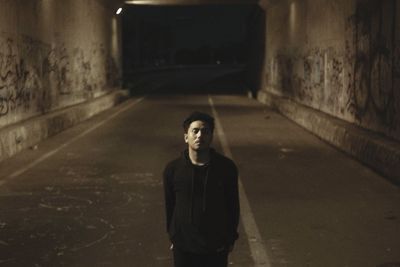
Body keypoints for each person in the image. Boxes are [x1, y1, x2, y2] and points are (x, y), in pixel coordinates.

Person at [163, 111, 240, 267]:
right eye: (195, 131)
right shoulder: (173, 170)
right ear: (186, 137)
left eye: (205, 131)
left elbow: (233, 205)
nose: (200, 135)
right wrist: (174, 237)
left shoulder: (226, 168)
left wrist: (230, 239)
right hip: (184, 247)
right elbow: (170, 206)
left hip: (215, 246)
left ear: (211, 137)